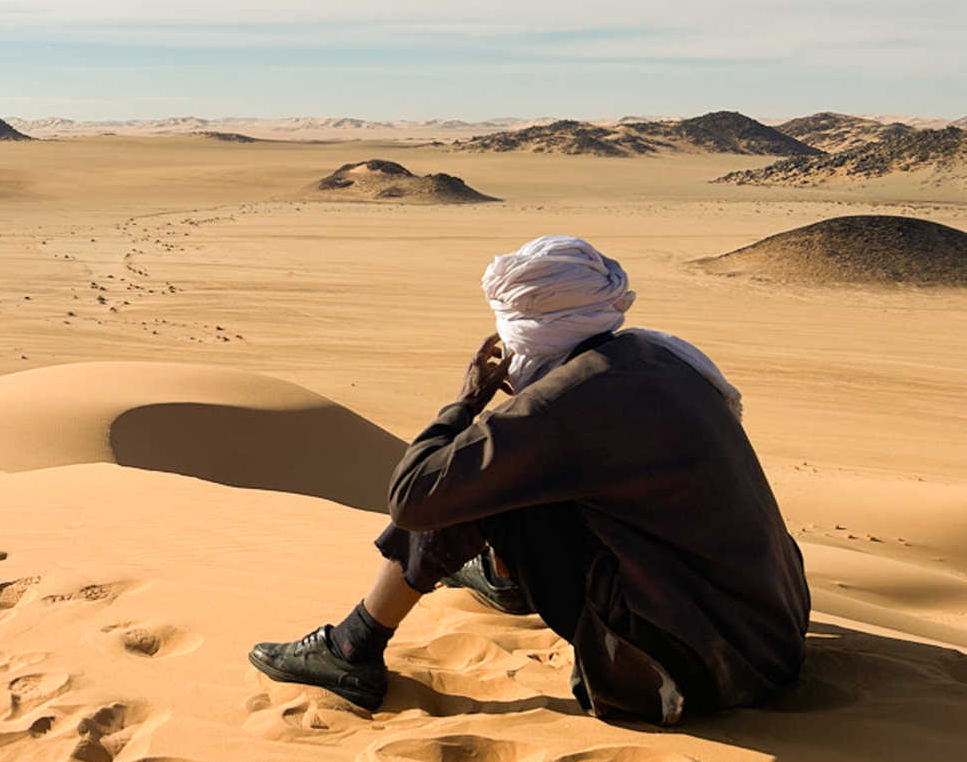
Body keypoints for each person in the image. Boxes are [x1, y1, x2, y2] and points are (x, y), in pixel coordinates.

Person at [248, 236, 809, 725]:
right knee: (515, 464)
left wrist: (466, 404)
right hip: (772, 633)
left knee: (472, 474)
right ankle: (505, 578)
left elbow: (412, 498)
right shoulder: (659, 357)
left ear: (525, 332)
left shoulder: (566, 402)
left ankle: (351, 648)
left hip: (687, 674)